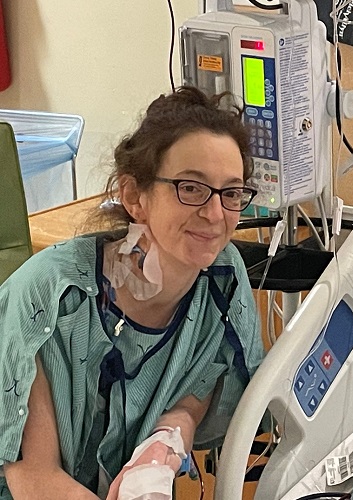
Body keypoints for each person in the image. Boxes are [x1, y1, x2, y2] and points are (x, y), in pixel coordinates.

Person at [0, 86, 265, 499]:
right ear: (134, 197)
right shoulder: (48, 299)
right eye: (190, 188)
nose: (215, 215)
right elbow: (35, 480)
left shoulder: (223, 282)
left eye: (230, 193)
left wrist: (170, 436)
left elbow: (205, 376)